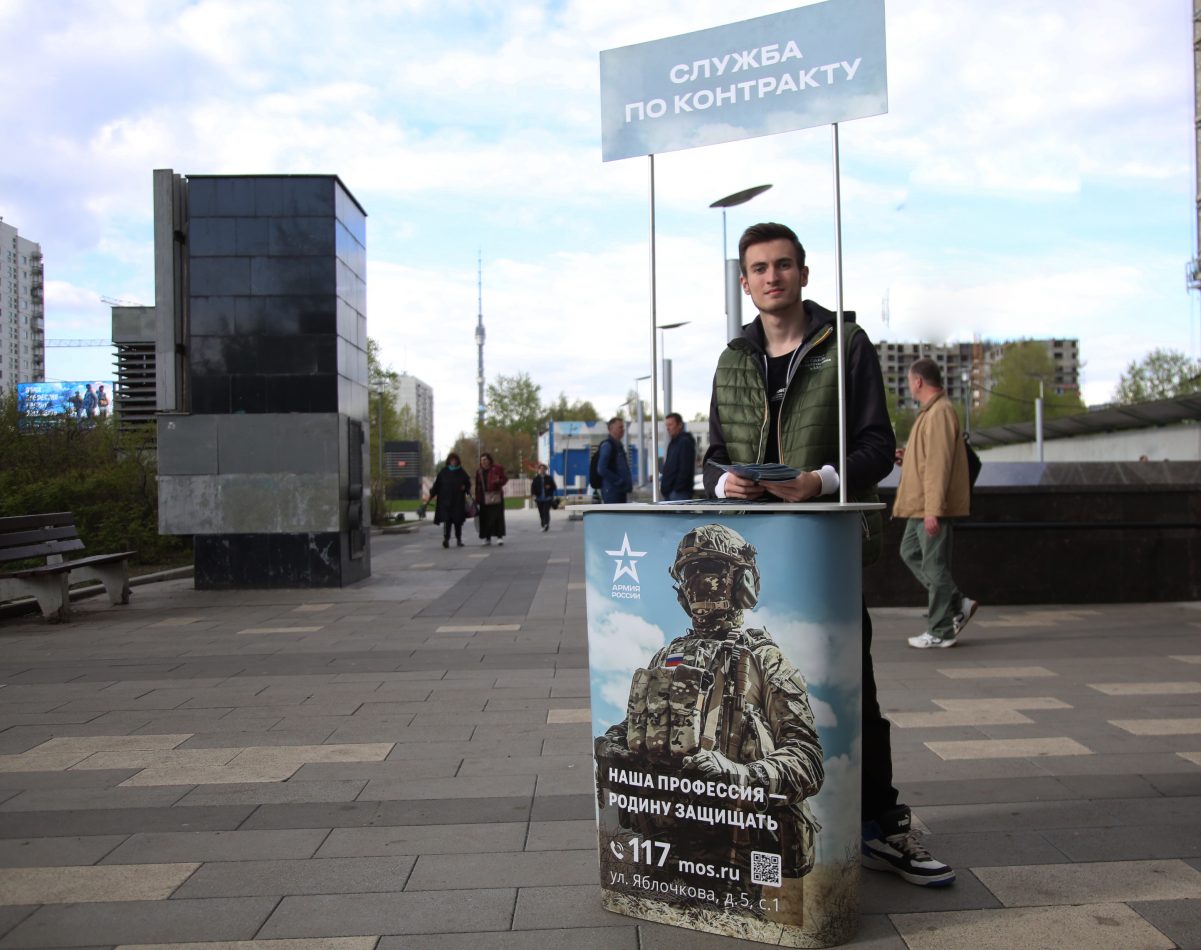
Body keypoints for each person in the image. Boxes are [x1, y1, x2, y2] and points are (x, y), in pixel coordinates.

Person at [702, 222, 954, 887]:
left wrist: (821, 481)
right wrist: (722, 480)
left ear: (803, 274)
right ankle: (755, 828)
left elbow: (878, 445)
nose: (771, 276)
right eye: (758, 268)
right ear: (744, 281)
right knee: (748, 695)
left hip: (826, 550)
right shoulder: (732, 358)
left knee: (849, 692)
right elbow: (710, 457)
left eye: (783, 265)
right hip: (752, 555)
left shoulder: (845, 346)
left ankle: (879, 826)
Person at [595, 524, 824, 885]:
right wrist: (614, 746)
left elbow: (807, 759)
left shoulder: (765, 659)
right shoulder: (666, 657)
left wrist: (742, 776)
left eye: (713, 570)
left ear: (742, 582)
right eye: (690, 572)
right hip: (665, 852)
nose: (700, 581)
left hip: (742, 858)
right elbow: (637, 727)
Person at [894, 358, 977, 649]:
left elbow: (939, 466)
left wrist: (934, 510)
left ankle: (941, 629)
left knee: (935, 565)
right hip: (919, 506)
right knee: (910, 552)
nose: (908, 385)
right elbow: (929, 460)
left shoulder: (939, 413)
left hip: (928, 508)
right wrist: (908, 457)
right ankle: (956, 603)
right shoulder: (930, 413)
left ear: (918, 381)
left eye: (909, 380)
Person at [426, 452, 472, 548]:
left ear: (458, 461)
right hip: (446, 501)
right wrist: (432, 494)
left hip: (458, 501)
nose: (453, 462)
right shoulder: (444, 472)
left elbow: (468, 483)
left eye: (455, 460)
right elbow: (437, 485)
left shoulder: (461, 472)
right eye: (452, 460)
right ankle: (446, 539)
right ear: (449, 461)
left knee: (458, 521)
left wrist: (465, 488)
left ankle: (459, 539)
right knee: (447, 521)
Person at [660, 411, 696, 501]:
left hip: (679, 494)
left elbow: (685, 469)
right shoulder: (673, 443)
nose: (668, 428)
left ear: (680, 425)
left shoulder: (684, 442)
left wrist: (677, 489)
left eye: (670, 425)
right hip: (671, 493)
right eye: (667, 425)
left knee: (679, 515)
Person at [474, 453, 508, 546]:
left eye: (485, 459)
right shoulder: (479, 471)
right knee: (485, 518)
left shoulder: (497, 468)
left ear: (489, 460)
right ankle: (487, 537)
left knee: (498, 517)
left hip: (496, 495)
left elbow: (504, 479)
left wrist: (498, 481)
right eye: (482, 460)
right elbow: (477, 485)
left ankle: (499, 537)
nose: (483, 462)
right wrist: (477, 498)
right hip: (484, 497)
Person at [596, 417, 632, 503]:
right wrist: (619, 481)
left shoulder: (618, 446)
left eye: (623, 427)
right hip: (612, 492)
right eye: (620, 427)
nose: (622, 430)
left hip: (620, 491)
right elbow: (601, 469)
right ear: (611, 428)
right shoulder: (608, 446)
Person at [531, 463, 557, 532]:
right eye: (541, 469)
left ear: (545, 470)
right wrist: (533, 495)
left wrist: (550, 486)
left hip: (547, 498)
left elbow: (554, 487)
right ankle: (543, 524)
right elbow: (533, 488)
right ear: (538, 470)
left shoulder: (549, 478)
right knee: (541, 512)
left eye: (543, 469)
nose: (542, 470)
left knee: (546, 512)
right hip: (539, 498)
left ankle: (546, 524)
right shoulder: (536, 479)